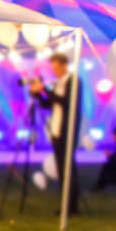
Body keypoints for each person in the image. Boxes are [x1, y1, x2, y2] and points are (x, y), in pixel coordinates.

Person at [30, 53, 82, 214]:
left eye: (56, 66)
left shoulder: (73, 80)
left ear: (64, 65)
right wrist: (38, 94)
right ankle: (65, 204)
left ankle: (71, 205)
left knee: (67, 168)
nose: (55, 70)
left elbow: (67, 102)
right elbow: (50, 104)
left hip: (67, 130)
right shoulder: (58, 82)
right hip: (57, 130)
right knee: (61, 168)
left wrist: (44, 89)